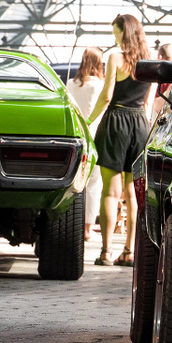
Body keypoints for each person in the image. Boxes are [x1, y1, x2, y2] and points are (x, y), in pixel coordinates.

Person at [90, 13, 152, 267]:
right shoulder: (149, 62)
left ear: (123, 32)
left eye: (115, 32)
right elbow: (147, 104)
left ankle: (106, 251)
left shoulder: (115, 57)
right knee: (133, 194)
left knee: (110, 192)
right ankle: (129, 252)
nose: (114, 37)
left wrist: (88, 119)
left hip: (116, 122)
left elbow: (107, 96)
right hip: (140, 124)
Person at [65, 47, 104, 122]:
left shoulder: (70, 83)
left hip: (74, 123)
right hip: (94, 124)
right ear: (98, 64)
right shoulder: (100, 85)